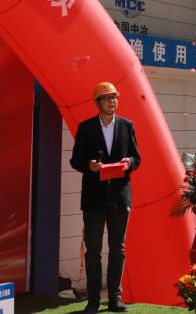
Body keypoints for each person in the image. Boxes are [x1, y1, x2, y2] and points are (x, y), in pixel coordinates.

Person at [69, 82, 141, 313]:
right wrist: (89, 165)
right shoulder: (86, 127)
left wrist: (129, 162)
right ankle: (93, 300)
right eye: (107, 98)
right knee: (93, 250)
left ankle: (114, 299)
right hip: (94, 198)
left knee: (117, 249)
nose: (112, 101)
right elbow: (75, 159)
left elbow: (137, 157)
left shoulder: (127, 126)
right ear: (97, 102)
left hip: (119, 197)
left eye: (115, 97)